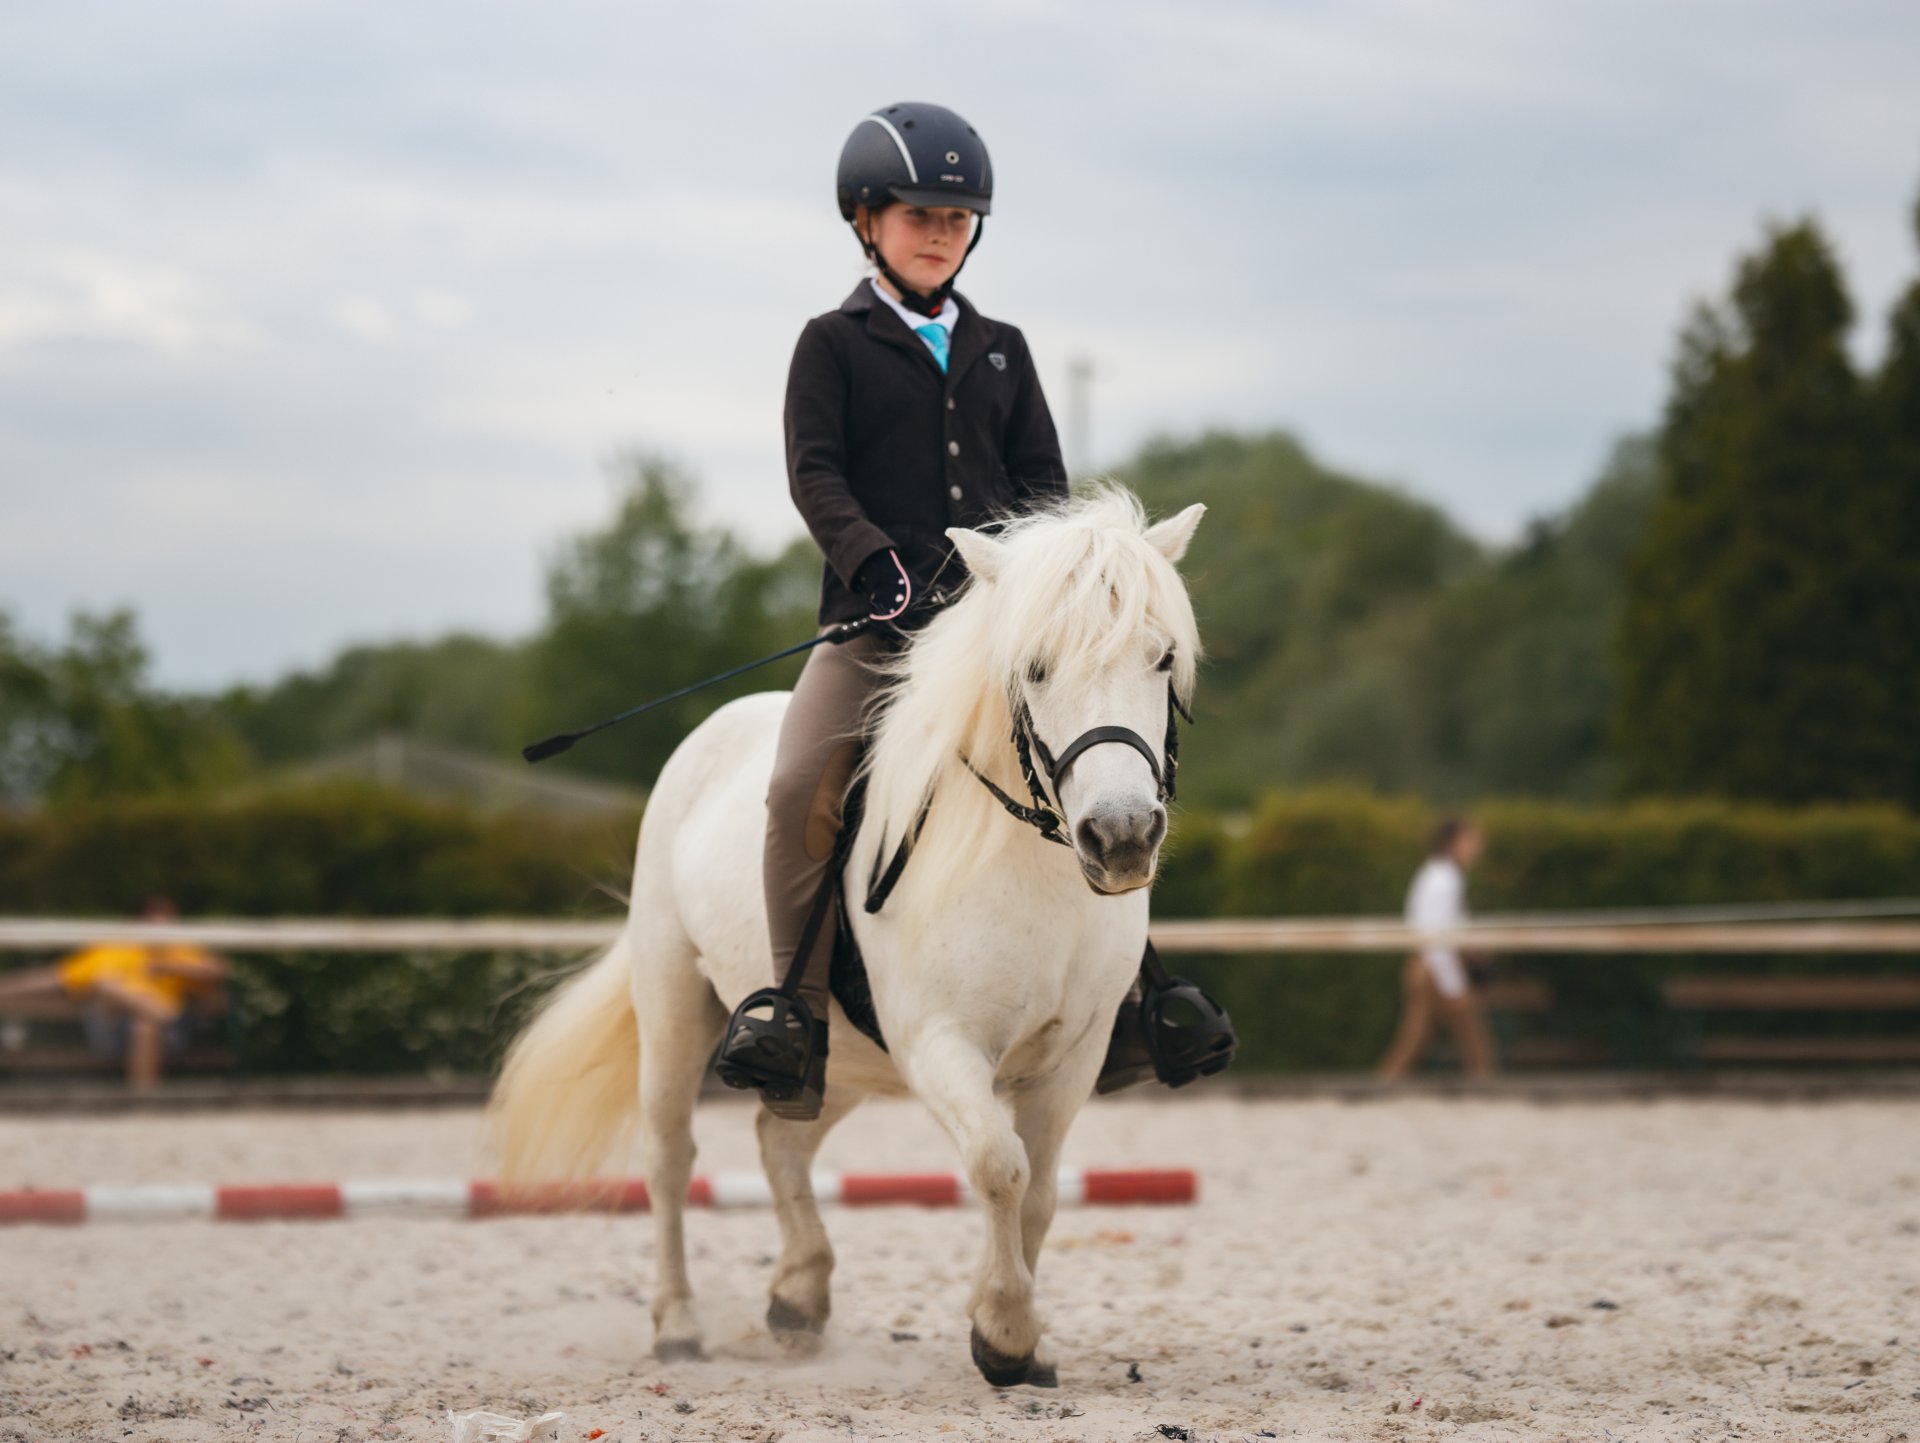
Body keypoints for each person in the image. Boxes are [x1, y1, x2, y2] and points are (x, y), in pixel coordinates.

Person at [712, 102, 1234, 1120]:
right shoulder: (833, 344)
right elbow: (814, 476)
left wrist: (1047, 586)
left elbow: (1044, 484)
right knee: (795, 787)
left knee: (1100, 756)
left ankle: (1132, 998)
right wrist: (873, 566)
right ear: (866, 222)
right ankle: (795, 1013)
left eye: (957, 218)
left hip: (1001, 633)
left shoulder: (1003, 348)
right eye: (918, 215)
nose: (940, 232)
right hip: (878, 626)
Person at [0, 897, 228, 1091]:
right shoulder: (113, 948)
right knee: (106, 984)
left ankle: (144, 1101)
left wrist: (167, 967)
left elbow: (218, 971)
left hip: (166, 1035)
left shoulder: (180, 949)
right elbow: (53, 978)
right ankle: (158, 1010)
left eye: (169, 918)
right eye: (157, 918)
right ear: (137, 921)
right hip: (111, 1032)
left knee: (145, 1024)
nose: (166, 924)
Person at [1376, 817, 1496, 1080]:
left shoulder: (1439, 875)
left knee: (1416, 1038)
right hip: (1434, 968)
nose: (1477, 847)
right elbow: (1436, 935)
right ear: (1452, 843)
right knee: (1472, 1036)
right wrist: (1454, 984)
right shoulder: (1444, 879)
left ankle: (1384, 1085)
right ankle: (1486, 1087)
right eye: (1471, 840)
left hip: (1429, 966)